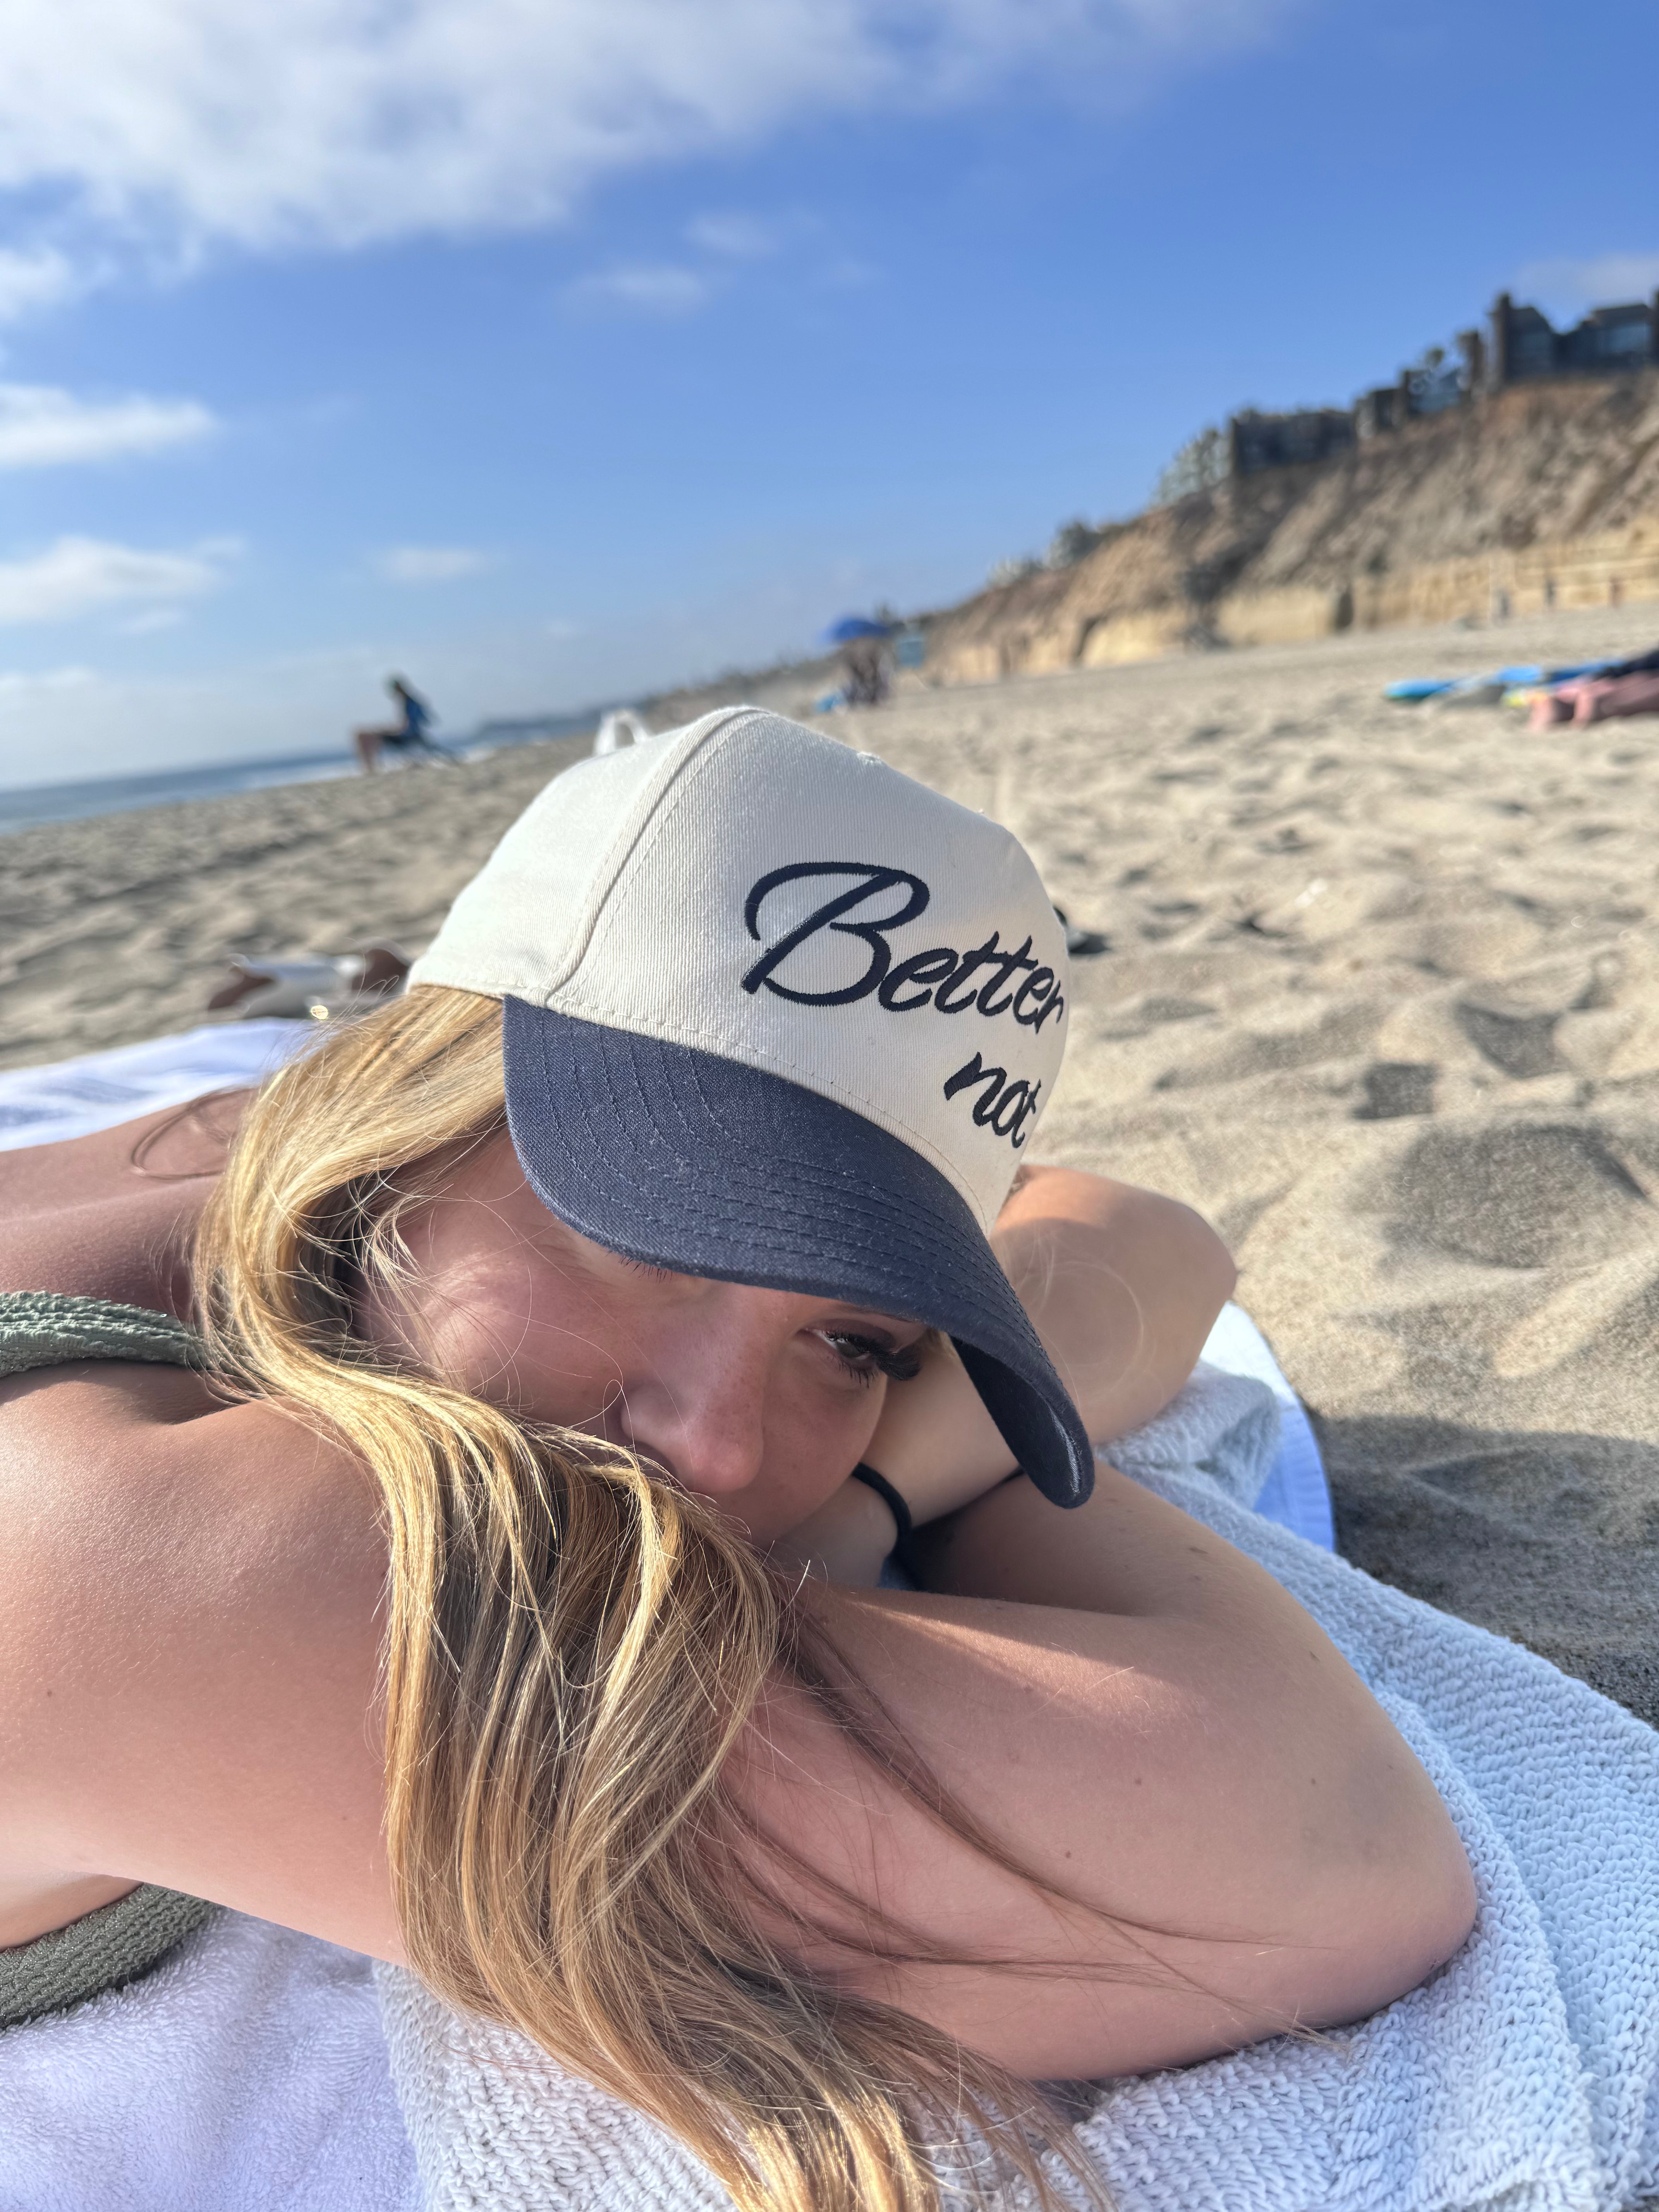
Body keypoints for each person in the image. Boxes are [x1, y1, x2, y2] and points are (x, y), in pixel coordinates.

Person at [0, 710, 1474, 2212]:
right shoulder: (114, 1537)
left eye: (860, 1344)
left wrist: (879, 1487)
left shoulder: (299, 1169)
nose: (718, 1442)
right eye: (648, 1234)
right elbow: (1330, 1847)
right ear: (403, 1115)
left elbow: (1147, 1239)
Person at [354, 675, 452, 772]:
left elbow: (406, 727)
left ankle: (370, 769)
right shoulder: (411, 702)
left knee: (363, 735)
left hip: (407, 737)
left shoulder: (410, 703)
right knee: (364, 735)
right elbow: (427, 720)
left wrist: (388, 729)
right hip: (410, 735)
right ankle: (370, 768)